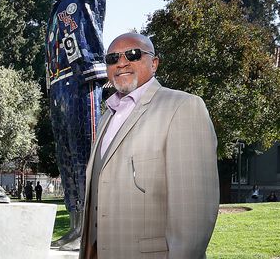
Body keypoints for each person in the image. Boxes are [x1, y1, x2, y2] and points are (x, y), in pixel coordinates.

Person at [79, 33, 219, 259]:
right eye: (112, 58)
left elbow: (194, 215)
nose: (121, 62)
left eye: (133, 54)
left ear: (154, 63)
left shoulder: (183, 107)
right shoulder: (106, 117)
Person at [37, 0, 108, 251]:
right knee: (66, 162)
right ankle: (76, 222)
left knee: (85, 156)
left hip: (82, 84)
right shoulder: (53, 12)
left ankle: (91, 225)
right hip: (58, 89)